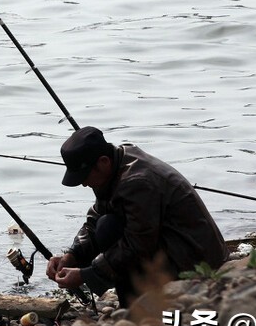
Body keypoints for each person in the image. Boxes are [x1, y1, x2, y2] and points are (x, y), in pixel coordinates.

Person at [45, 126, 227, 307]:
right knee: (104, 224)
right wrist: (72, 255)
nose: (84, 184)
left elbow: (137, 245)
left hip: (195, 262)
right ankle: (135, 305)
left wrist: (87, 275)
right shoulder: (116, 165)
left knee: (108, 228)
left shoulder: (137, 182)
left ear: (103, 161)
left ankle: (132, 308)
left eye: (84, 177)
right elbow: (96, 217)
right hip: (171, 247)